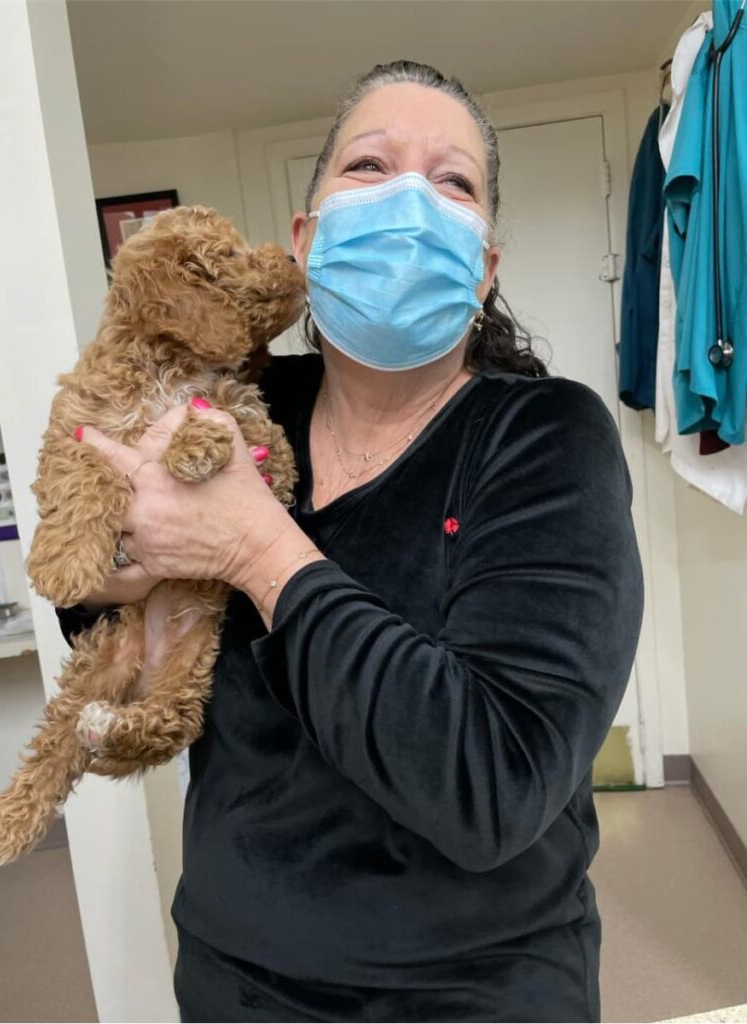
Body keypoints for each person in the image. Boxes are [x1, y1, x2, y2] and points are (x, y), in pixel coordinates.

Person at [56, 60, 644, 1023]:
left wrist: (257, 551)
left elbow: (494, 787)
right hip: (232, 979)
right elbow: (90, 598)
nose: (410, 201)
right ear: (306, 236)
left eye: (453, 182)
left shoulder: (547, 439)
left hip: (473, 993)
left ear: (485, 264)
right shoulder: (238, 409)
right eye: (369, 166)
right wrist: (121, 563)